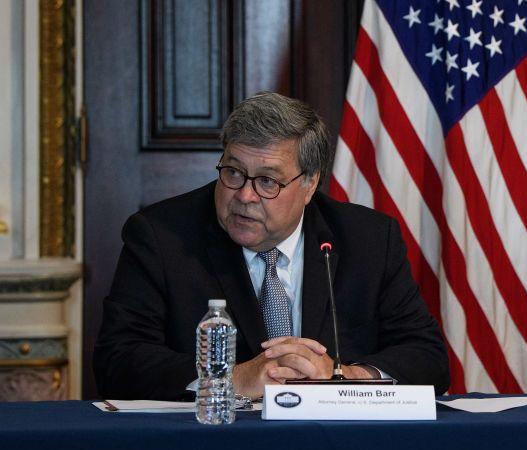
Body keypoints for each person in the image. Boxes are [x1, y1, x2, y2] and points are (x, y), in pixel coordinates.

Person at [94, 92, 450, 399]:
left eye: (267, 181)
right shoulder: (161, 236)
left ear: (309, 185)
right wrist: (231, 379)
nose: (245, 196)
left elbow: (428, 358)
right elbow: (117, 361)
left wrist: (344, 378)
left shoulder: (369, 239)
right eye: (233, 172)